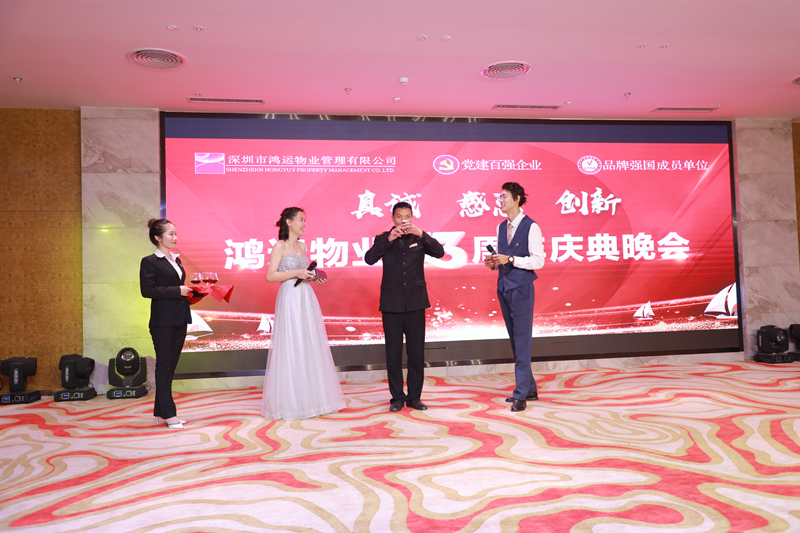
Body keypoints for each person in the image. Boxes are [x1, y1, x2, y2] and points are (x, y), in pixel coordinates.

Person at [261, 207, 346, 420]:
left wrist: (312, 276)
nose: (304, 223)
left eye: (304, 220)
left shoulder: (302, 245)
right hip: (290, 296)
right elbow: (271, 276)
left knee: (308, 342)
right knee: (292, 342)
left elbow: (302, 273)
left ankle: (312, 399)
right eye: (300, 219)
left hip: (305, 296)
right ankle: (292, 402)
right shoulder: (280, 246)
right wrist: (296, 273)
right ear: (289, 222)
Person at [365, 202, 445, 412]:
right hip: (391, 304)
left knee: (416, 354)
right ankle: (397, 398)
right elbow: (369, 259)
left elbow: (440, 252)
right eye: (399, 216)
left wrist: (422, 234)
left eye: (407, 216)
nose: (403, 220)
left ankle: (414, 397)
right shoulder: (383, 238)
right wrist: (389, 239)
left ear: (412, 217)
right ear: (393, 218)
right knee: (393, 355)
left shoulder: (419, 238)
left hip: (416, 303)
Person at [483, 182, 545, 412]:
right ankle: (529, 387)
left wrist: (510, 259)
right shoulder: (501, 227)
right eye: (499, 197)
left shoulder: (531, 226)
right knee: (514, 340)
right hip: (504, 287)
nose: (501, 200)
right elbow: (504, 259)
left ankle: (521, 394)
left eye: (504, 196)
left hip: (521, 288)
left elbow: (538, 261)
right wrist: (494, 263)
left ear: (517, 198)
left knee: (522, 340)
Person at [140, 218, 193, 429]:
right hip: (163, 322)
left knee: (169, 368)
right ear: (158, 237)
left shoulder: (175, 260)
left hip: (180, 318)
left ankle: (162, 412)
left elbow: (175, 289)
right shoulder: (150, 261)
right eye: (170, 234)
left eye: (175, 233)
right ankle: (170, 415)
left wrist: (190, 293)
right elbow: (147, 290)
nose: (175, 237)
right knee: (164, 366)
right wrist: (177, 290)